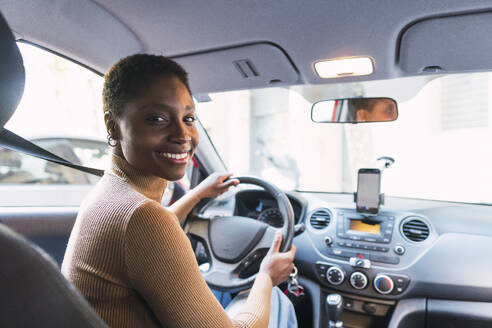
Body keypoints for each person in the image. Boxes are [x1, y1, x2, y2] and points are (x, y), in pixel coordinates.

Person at [61, 54, 297, 328]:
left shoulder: (110, 193)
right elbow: (149, 226)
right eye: (157, 118)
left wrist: (197, 195)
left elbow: (151, 230)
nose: (182, 134)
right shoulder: (141, 218)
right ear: (112, 124)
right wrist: (266, 277)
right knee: (276, 302)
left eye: (188, 117)